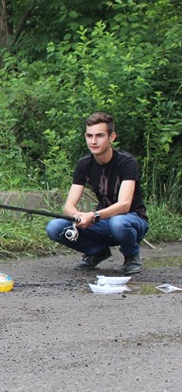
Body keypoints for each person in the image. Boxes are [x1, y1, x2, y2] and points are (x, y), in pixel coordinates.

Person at [46, 112, 148, 274]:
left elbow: (124, 205)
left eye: (100, 136)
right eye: (89, 136)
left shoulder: (127, 162)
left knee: (118, 223)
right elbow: (69, 207)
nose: (93, 141)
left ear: (111, 137)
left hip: (132, 219)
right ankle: (97, 251)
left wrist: (93, 216)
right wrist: (79, 216)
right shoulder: (84, 165)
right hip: (103, 221)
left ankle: (131, 256)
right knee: (54, 226)